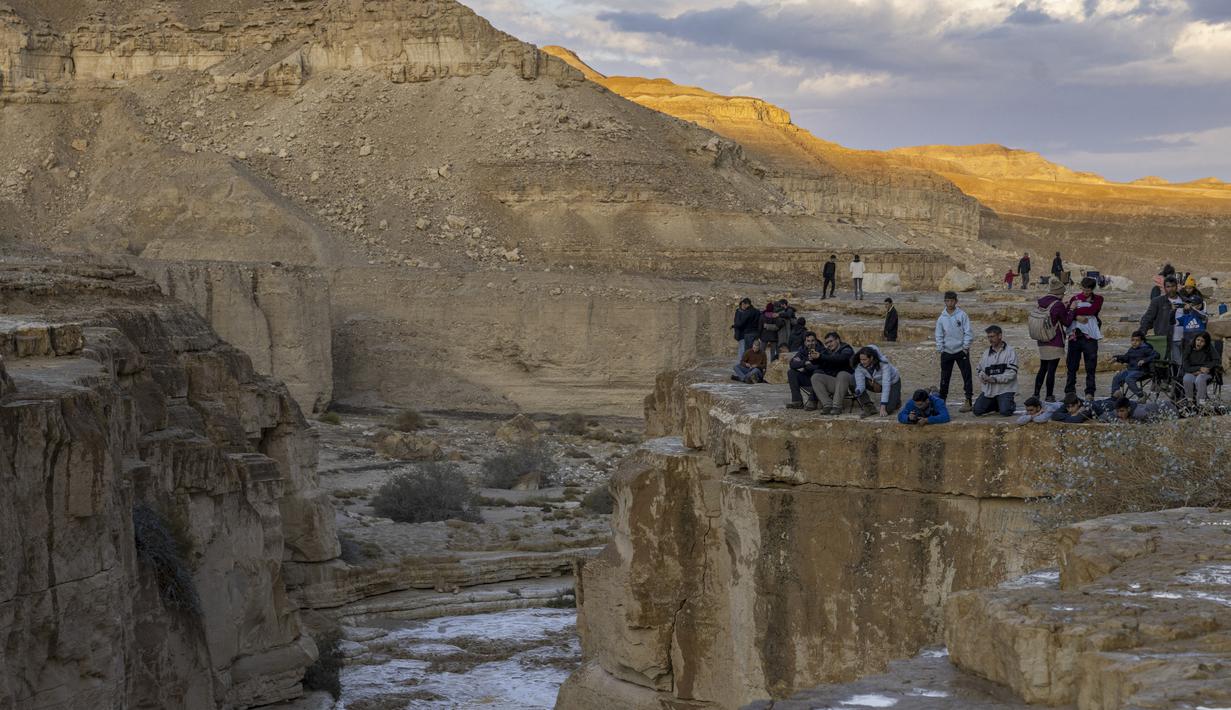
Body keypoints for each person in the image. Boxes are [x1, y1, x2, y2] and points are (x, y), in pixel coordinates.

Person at [1032, 281, 1073, 402]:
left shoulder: (1042, 301)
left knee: (1043, 367)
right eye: (1063, 293)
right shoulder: (1058, 304)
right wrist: (1071, 310)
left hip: (1042, 339)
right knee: (1051, 369)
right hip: (1054, 340)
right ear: (1059, 292)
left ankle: (1036, 394)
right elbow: (1067, 322)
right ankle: (1049, 395)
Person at [1064, 277, 1104, 400]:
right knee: (1072, 366)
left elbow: (1092, 310)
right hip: (1075, 336)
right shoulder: (1075, 298)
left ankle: (1090, 392)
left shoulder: (1098, 299)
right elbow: (1067, 311)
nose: (1085, 292)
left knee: (1090, 366)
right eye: (1084, 289)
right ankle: (1070, 391)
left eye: (1088, 290)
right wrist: (1077, 317)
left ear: (1092, 289)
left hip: (1090, 337)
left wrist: (1075, 311)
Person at [935, 291, 974, 412]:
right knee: (945, 377)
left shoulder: (962, 315)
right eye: (947, 300)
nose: (949, 303)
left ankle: (968, 400)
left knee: (966, 375)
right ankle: (942, 401)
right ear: (945, 302)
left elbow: (968, 332)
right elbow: (939, 334)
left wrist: (965, 347)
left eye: (952, 300)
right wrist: (940, 348)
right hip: (947, 352)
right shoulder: (941, 318)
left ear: (956, 301)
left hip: (961, 351)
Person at [973, 325, 1018, 416]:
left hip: (1005, 389)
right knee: (977, 411)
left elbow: (1012, 373)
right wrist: (982, 377)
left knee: (1005, 412)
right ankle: (998, 404)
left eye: (992, 336)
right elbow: (979, 369)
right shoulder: (986, 353)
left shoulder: (1010, 352)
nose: (990, 339)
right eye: (989, 337)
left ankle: (1009, 404)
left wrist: (994, 379)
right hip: (989, 390)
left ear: (1000, 336)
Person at [811, 331, 856, 415]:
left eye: (831, 341)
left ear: (838, 340)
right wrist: (814, 359)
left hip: (849, 384)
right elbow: (822, 364)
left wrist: (821, 356)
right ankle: (827, 405)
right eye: (826, 343)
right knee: (816, 377)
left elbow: (840, 359)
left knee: (842, 374)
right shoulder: (828, 352)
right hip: (836, 383)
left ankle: (837, 406)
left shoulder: (847, 349)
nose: (828, 344)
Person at [1140, 276, 1183, 363]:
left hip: (1185, 340)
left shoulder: (1185, 301)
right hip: (1168, 340)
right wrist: (1140, 334)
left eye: (1173, 286)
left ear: (1177, 287)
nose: (1171, 289)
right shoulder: (1158, 302)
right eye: (1168, 287)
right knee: (1176, 365)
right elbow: (1147, 318)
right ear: (1164, 288)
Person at [853, 345, 902, 418]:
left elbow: (886, 384)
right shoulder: (859, 366)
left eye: (865, 359)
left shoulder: (884, 364)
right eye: (861, 359)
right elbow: (860, 384)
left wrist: (883, 406)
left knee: (887, 409)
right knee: (852, 379)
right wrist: (858, 391)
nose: (862, 362)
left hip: (892, 383)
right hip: (875, 383)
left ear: (871, 358)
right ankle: (869, 407)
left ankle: (896, 399)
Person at [1111, 331, 1158, 398]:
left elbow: (1156, 355)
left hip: (1141, 371)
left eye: (1137, 340)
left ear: (1142, 341)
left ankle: (1141, 395)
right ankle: (1115, 394)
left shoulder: (1146, 349)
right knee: (1117, 377)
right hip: (1130, 370)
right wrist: (1116, 358)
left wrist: (1144, 360)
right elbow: (1126, 357)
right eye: (1132, 340)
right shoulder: (1132, 349)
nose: (1134, 342)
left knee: (1128, 379)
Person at [785, 331, 822, 409]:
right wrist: (805, 362)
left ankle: (812, 401)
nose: (810, 343)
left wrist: (810, 366)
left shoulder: (822, 350)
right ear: (805, 342)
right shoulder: (802, 351)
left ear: (816, 341)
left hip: (820, 381)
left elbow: (822, 367)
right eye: (808, 341)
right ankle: (797, 401)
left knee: (817, 372)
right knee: (791, 372)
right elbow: (792, 364)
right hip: (808, 379)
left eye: (812, 341)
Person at [1182, 332, 1218, 405]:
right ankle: (1190, 401)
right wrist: (1198, 369)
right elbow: (1185, 366)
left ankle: (1201, 402)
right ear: (1195, 340)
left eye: (1202, 341)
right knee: (1187, 379)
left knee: (1200, 379)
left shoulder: (1209, 347)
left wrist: (1205, 368)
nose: (1199, 342)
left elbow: (1216, 360)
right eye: (1198, 340)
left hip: (1206, 372)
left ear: (1206, 343)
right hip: (1192, 371)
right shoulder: (1189, 348)